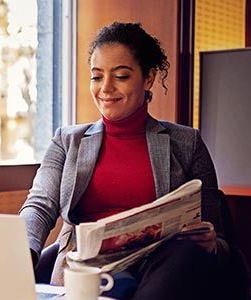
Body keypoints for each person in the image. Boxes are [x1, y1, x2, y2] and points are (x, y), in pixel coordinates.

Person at [19, 22, 234, 300]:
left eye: (120, 76)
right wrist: (20, 251)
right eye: (97, 77)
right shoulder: (67, 140)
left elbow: (219, 234)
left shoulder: (186, 143)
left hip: (162, 267)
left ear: (148, 78)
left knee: (185, 253)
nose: (105, 88)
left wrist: (211, 241)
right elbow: (40, 204)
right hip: (89, 270)